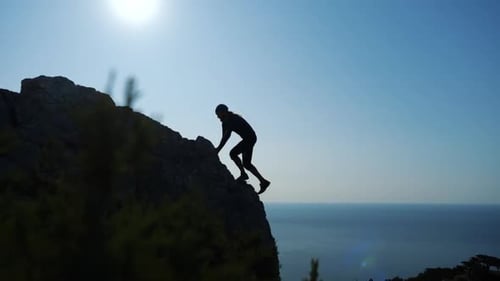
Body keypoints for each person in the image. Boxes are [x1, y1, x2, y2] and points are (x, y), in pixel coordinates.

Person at [214, 104, 271, 194]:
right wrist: (218, 149)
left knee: (233, 154)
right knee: (247, 164)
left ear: (223, 112)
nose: (218, 117)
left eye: (218, 114)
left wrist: (218, 150)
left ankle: (244, 175)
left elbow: (226, 137)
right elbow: (223, 137)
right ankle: (263, 181)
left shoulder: (232, 119)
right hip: (248, 139)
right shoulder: (225, 122)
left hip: (250, 138)